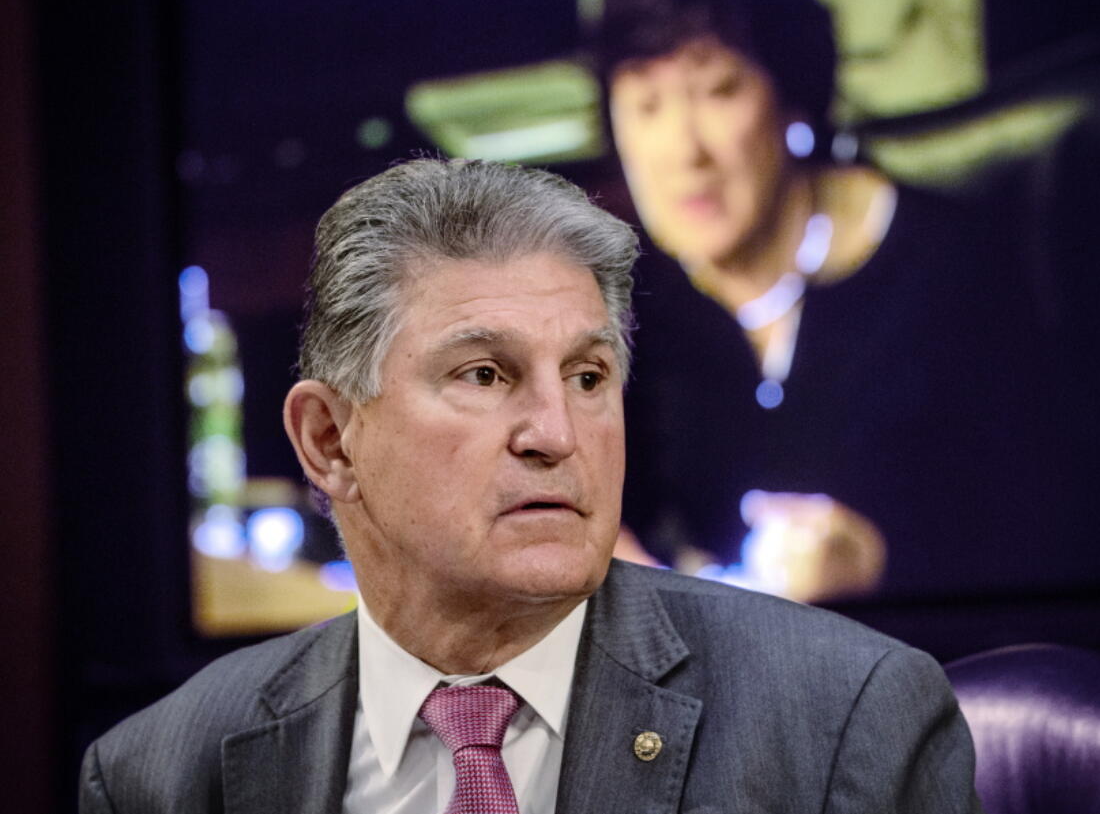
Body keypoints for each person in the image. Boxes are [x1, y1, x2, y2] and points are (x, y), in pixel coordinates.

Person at [79, 158, 982, 813]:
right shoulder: (160, 776)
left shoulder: (847, 721)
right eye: (483, 375)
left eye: (589, 379)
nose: (557, 434)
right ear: (329, 440)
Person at [595, 0, 1072, 600]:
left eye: (719, 91)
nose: (683, 149)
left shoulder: (949, 272)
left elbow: (1050, 535)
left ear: (791, 98)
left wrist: (879, 566)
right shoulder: (625, 300)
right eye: (645, 105)